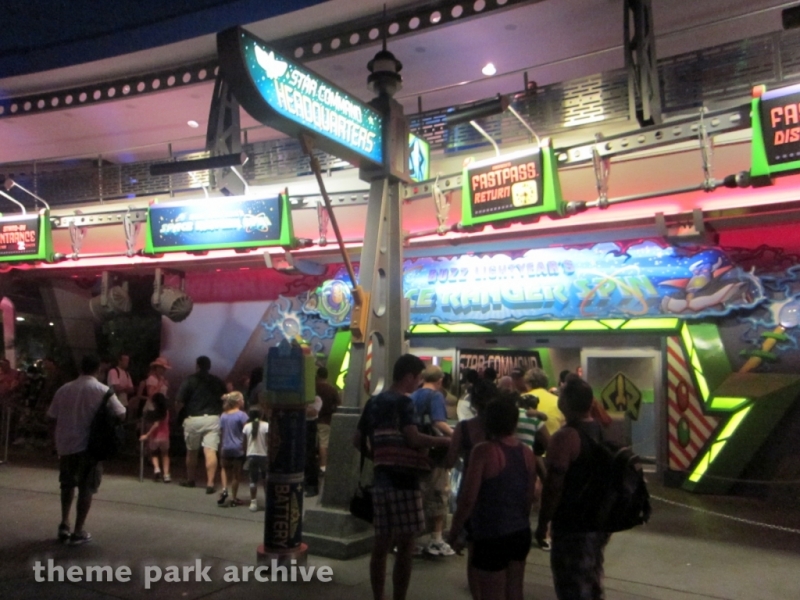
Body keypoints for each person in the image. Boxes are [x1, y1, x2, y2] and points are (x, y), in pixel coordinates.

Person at [353, 354, 450, 600]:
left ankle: (378, 596)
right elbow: (413, 438)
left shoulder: (373, 402)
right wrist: (446, 441)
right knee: (405, 546)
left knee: (380, 545)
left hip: (381, 480)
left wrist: (380, 456)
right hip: (404, 481)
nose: (418, 384)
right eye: (417, 378)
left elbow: (357, 440)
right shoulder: (404, 403)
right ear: (408, 376)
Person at [448, 393, 536, 600]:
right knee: (515, 592)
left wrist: (455, 531)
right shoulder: (527, 453)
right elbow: (529, 496)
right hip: (519, 531)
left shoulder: (484, 451)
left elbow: (468, 498)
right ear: (514, 422)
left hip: (490, 533)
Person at [536, 374, 610, 600]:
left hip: (572, 523)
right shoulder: (597, 429)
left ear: (566, 402)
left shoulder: (565, 437)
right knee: (591, 579)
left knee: (571, 584)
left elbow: (553, 485)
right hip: (597, 519)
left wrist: (543, 523)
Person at [46, 355, 126, 545]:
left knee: (67, 485)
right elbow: (121, 413)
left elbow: (51, 416)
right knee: (86, 488)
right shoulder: (102, 390)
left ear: (80, 368)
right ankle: (78, 530)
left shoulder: (64, 389)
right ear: (98, 369)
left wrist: (53, 442)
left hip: (66, 445)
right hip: (91, 447)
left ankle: (64, 524)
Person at [444, 378, 494, 600]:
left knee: (475, 552)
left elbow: (450, 459)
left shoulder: (465, 428)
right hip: (500, 487)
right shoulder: (502, 428)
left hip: (472, 485)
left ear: (473, 402)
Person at [411, 365, 455, 557]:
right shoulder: (435, 396)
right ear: (440, 380)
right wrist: (455, 436)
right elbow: (439, 422)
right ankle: (436, 540)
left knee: (418, 494)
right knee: (439, 492)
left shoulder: (413, 395)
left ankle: (409, 540)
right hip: (433, 453)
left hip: (415, 450)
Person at [177, 356, 227, 493]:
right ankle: (210, 483)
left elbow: (179, 401)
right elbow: (225, 398)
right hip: (212, 418)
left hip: (193, 418)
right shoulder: (217, 381)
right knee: (210, 451)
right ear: (209, 366)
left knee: (192, 451)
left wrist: (179, 414)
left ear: (197, 365)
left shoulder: (189, 380)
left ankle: (190, 479)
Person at [217, 391, 248, 507]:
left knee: (224, 469)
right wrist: (246, 447)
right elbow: (246, 432)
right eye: (242, 399)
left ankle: (224, 489)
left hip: (226, 447)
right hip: (238, 448)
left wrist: (221, 446)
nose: (244, 401)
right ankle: (234, 498)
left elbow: (221, 432)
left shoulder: (223, 415)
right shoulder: (242, 415)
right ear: (238, 402)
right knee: (236, 474)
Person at [138, 392, 171, 482]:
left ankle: (157, 469)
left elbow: (156, 424)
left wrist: (147, 435)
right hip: (165, 436)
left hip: (155, 437)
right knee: (165, 455)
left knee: (154, 454)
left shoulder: (154, 413)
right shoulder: (166, 412)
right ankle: (166, 475)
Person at [315, 366, 341, 476]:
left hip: (312, 420)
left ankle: (313, 465)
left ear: (317, 376)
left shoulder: (314, 388)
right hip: (326, 420)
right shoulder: (332, 390)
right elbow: (338, 404)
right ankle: (323, 467)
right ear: (327, 376)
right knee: (323, 444)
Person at [243, 407, 269, 512]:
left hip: (251, 454)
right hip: (263, 455)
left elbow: (244, 443)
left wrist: (246, 453)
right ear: (261, 415)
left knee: (253, 480)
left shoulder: (246, 426)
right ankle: (268, 501)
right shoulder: (266, 426)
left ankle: (253, 502)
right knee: (265, 479)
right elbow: (268, 441)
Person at [304, 393, 323, 497]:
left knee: (310, 455)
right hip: (303, 424)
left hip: (311, 426)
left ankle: (312, 486)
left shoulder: (316, 399)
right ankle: (306, 483)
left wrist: (302, 408)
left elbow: (313, 412)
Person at [106, 353, 135, 419]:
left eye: (128, 360)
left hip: (124, 403)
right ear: (120, 361)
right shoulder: (113, 371)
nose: (127, 362)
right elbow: (116, 388)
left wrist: (122, 388)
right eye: (125, 360)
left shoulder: (127, 373)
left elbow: (132, 389)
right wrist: (126, 388)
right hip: (114, 404)